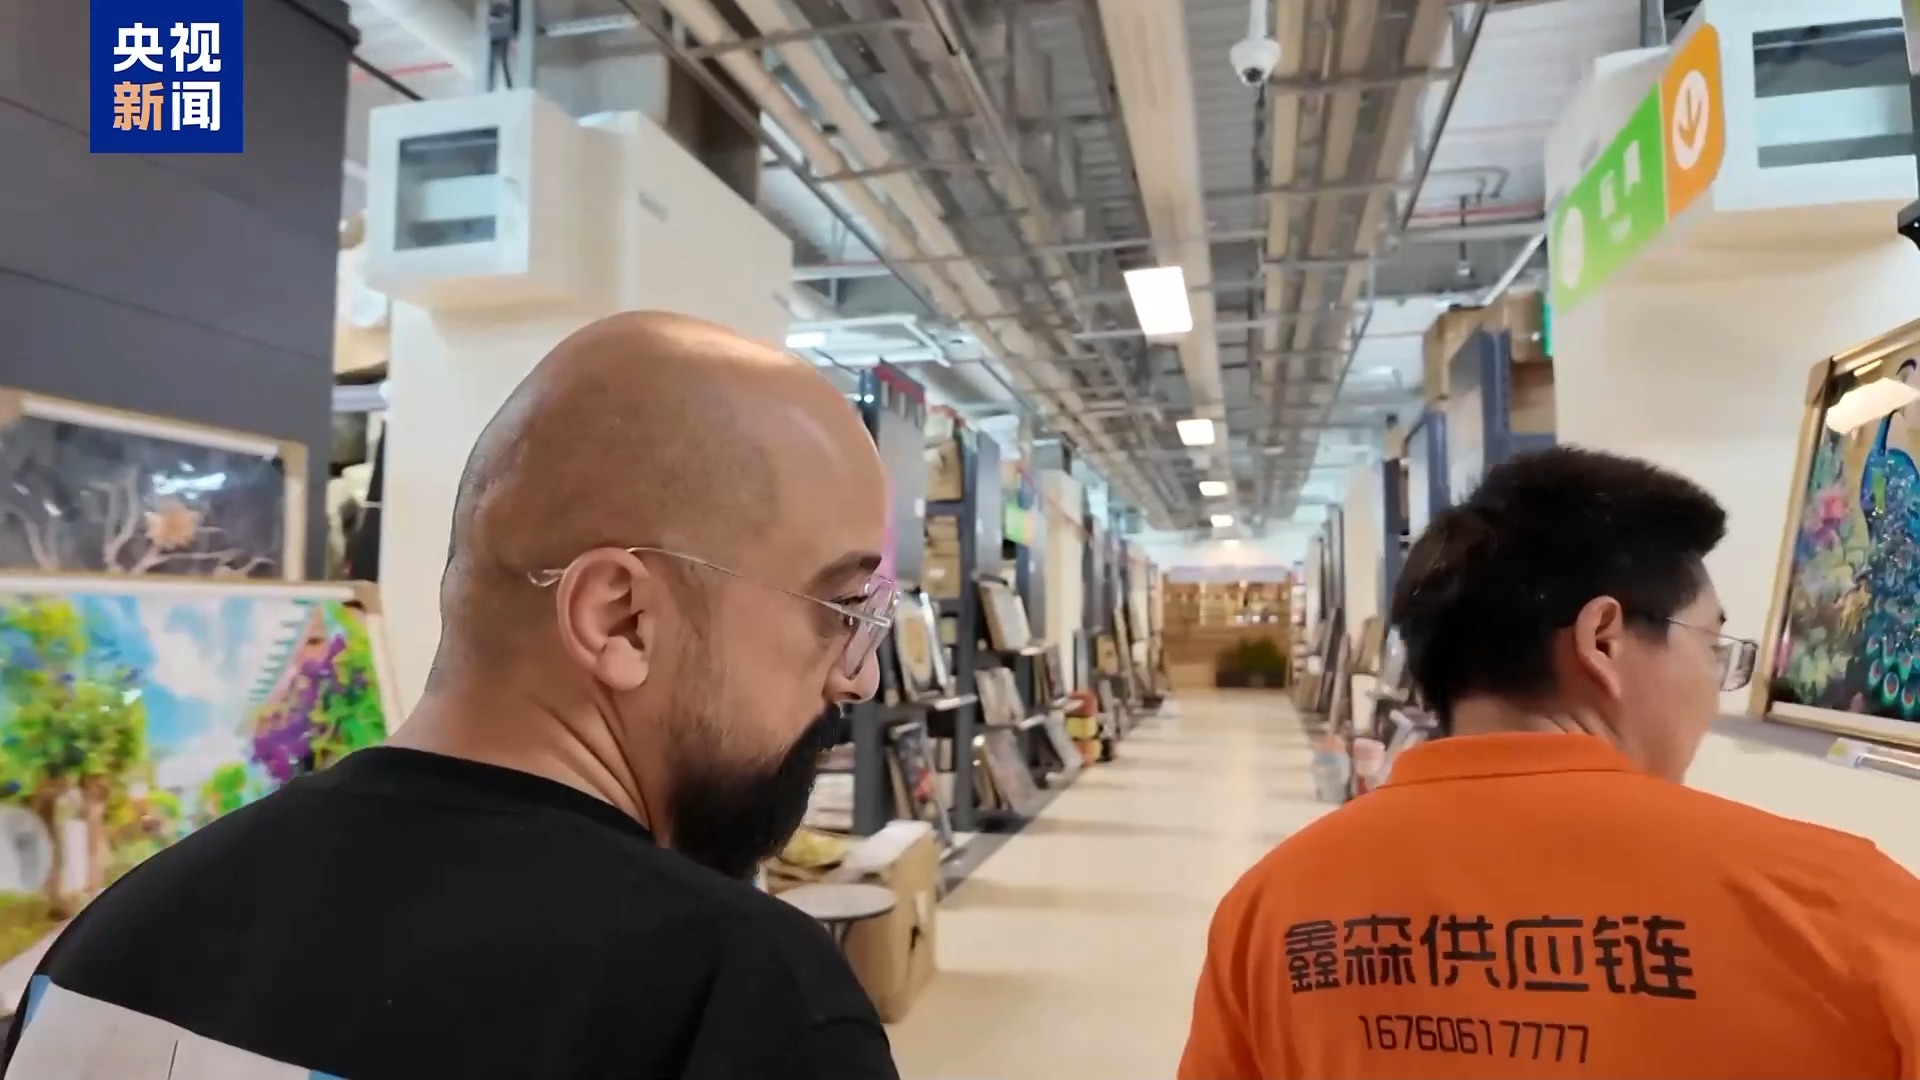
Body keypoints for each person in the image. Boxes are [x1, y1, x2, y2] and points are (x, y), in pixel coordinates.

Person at [2, 312, 903, 1079]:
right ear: (620, 620)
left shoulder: (107, 943)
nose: (856, 674)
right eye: (838, 608)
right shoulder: (738, 1005)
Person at [1179, 447, 1920, 1080]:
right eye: (1712, 647)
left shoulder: (1271, 908)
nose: (1713, 687)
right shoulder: (1846, 910)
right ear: (1603, 639)